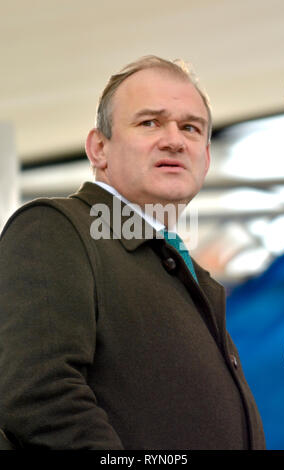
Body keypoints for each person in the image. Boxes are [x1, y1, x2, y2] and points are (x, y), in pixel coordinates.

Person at [0, 56, 265, 450]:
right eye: (150, 122)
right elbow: (38, 393)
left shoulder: (190, 275)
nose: (175, 139)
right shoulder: (56, 228)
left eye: (191, 128)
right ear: (99, 148)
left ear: (206, 160)